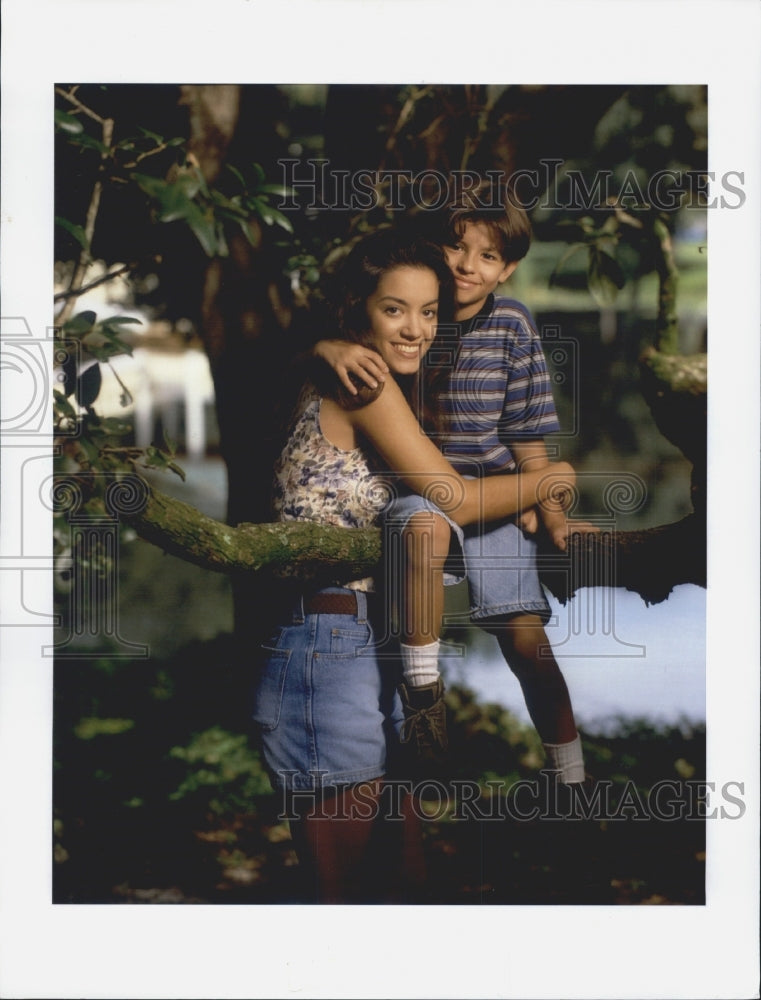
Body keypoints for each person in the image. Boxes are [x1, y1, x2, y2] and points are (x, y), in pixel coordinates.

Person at [252, 229, 577, 901]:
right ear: (357, 309)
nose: (416, 329)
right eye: (394, 309)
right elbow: (452, 496)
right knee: (343, 892)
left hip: (376, 641)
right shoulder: (360, 380)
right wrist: (550, 480)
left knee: (402, 888)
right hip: (327, 648)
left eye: (429, 312)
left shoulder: (345, 367)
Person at [315, 193, 598, 786]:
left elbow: (528, 434)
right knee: (419, 525)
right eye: (456, 246)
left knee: (525, 641)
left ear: (508, 269)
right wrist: (325, 346)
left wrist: (552, 511)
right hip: (419, 491)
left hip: (497, 492)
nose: (468, 265)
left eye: (488, 256)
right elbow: (320, 350)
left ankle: (569, 773)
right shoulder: (408, 311)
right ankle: (424, 694)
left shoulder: (512, 325)